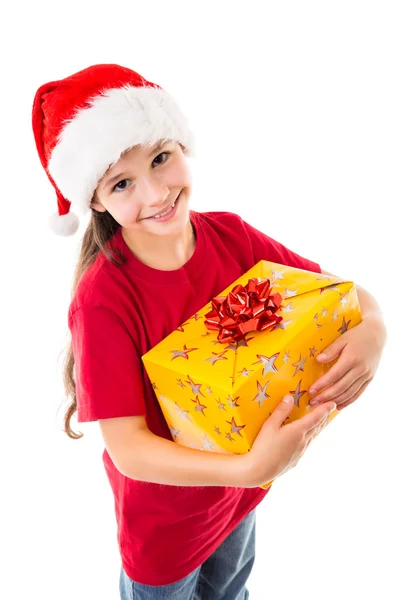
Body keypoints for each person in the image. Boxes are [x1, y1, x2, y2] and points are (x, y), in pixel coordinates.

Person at [31, 64, 340, 600]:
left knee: (229, 594)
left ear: (181, 145)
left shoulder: (232, 237)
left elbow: (329, 292)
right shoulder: (104, 299)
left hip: (239, 500)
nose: (155, 195)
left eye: (161, 158)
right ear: (97, 201)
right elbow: (129, 449)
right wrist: (252, 467)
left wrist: (375, 329)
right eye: (122, 183)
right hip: (165, 530)